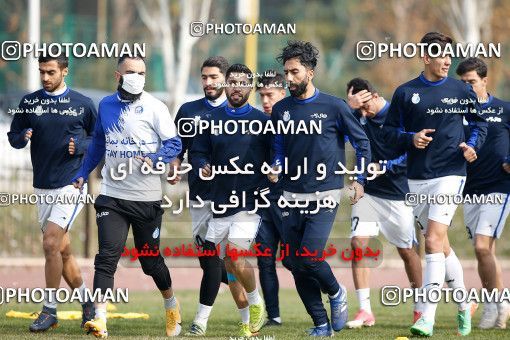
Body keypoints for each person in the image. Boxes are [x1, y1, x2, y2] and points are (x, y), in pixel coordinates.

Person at [383, 32, 488, 337]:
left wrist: (472, 146)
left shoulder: (460, 89)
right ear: (426, 57)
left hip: (451, 174)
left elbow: (479, 124)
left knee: (431, 242)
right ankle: (464, 303)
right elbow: (389, 135)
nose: (446, 62)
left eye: (449, 57)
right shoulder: (405, 93)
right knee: (440, 245)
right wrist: (409, 139)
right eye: (440, 56)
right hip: (417, 179)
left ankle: (425, 317)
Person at [72, 54, 182, 338]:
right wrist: (84, 172)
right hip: (112, 195)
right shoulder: (106, 105)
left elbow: (174, 144)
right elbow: (98, 142)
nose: (137, 76)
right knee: (107, 257)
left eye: (142, 72)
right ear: (117, 75)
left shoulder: (155, 107)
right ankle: (100, 320)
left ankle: (171, 305)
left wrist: (156, 156)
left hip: (146, 198)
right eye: (131, 71)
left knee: (150, 262)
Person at [270, 41, 371, 336]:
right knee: (292, 261)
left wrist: (360, 179)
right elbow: (278, 145)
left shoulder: (334, 106)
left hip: (324, 194)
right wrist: (276, 165)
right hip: (289, 195)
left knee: (309, 257)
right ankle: (320, 324)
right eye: (286, 72)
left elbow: (362, 143)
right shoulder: (281, 109)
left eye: (294, 72)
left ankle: (337, 292)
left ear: (310, 73)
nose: (288, 79)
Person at [7, 50, 96, 332]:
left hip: (72, 184)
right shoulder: (29, 102)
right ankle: (88, 304)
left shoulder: (82, 104)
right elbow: (13, 137)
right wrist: (23, 137)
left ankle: (50, 310)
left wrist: (80, 147)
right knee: (62, 251)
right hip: (42, 186)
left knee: (49, 243)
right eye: (42, 72)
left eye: (51, 72)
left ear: (64, 71)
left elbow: (99, 139)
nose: (45, 77)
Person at [169, 56, 250, 336]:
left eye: (214, 77)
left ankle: (201, 320)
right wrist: (174, 167)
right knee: (212, 262)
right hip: (200, 199)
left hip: (232, 201)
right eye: (204, 77)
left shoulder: (240, 115)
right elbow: (178, 151)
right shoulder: (189, 112)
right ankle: (250, 314)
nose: (208, 83)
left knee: (225, 260)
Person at [191, 63, 268, 337]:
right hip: (219, 203)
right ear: (226, 85)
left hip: (250, 202)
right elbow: (198, 152)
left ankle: (257, 303)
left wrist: (274, 171)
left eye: (242, 83)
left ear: (249, 87)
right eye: (232, 82)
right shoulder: (210, 120)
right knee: (226, 263)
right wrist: (202, 164)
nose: (236, 87)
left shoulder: (262, 121)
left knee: (235, 256)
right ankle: (247, 319)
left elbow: (275, 156)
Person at [343, 78, 422, 328]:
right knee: (358, 244)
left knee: (407, 252)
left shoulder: (398, 115)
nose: (362, 112)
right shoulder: (356, 116)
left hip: (398, 195)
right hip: (369, 193)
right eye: (357, 107)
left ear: (375, 96)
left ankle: (421, 309)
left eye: (365, 106)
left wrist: (386, 166)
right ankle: (365, 310)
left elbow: (414, 150)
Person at [456, 57, 510, 329]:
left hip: (498, 187)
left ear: (485, 81)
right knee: (484, 252)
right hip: (470, 189)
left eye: (472, 82)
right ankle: (498, 305)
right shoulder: (456, 114)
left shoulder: (504, 109)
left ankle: (496, 305)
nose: (467, 88)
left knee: (480, 246)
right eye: (463, 83)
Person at [255, 71, 292, 326]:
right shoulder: (256, 123)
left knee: (295, 260)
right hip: (263, 204)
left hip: (291, 202)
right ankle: (274, 316)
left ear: (283, 93)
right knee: (264, 260)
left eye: (270, 95)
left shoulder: (295, 122)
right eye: (262, 96)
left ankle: (333, 293)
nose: (266, 101)